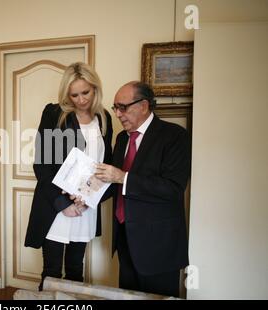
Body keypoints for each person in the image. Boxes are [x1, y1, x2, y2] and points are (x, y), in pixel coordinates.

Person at [95, 81, 191, 297]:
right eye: (115, 108)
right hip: (125, 239)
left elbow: (173, 188)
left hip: (158, 245)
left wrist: (123, 176)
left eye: (123, 107)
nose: (118, 114)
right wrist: (87, 197)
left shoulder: (175, 136)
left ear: (144, 105)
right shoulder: (121, 139)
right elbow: (114, 184)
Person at [24, 62, 113, 290]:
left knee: (75, 271)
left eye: (86, 92)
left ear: (95, 88)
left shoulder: (104, 118)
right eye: (74, 95)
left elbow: (107, 166)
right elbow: (42, 166)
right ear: (67, 94)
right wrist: (63, 203)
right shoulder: (54, 114)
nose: (81, 99)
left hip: (86, 206)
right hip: (57, 206)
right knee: (52, 272)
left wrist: (89, 200)